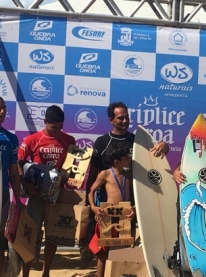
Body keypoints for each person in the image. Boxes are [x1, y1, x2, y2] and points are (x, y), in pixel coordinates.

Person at [80, 102, 169, 263]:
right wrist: (90, 206)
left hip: (130, 207)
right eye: (120, 118)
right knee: (103, 251)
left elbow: (156, 157)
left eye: (127, 117)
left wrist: (164, 145)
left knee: (124, 249)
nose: (125, 120)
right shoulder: (102, 142)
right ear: (111, 120)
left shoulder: (136, 141)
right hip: (105, 208)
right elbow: (92, 175)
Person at [17, 105, 76, 277]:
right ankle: (26, 274)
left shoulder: (69, 140)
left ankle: (46, 273)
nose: (57, 130)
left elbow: (71, 168)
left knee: (53, 236)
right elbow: (18, 162)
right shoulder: (32, 139)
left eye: (60, 127)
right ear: (45, 122)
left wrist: (70, 179)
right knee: (30, 237)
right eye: (53, 127)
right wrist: (24, 183)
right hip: (36, 197)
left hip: (57, 198)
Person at [88, 143, 135, 277]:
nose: (129, 159)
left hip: (125, 216)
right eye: (126, 157)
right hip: (107, 215)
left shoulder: (129, 175)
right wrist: (93, 207)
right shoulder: (105, 174)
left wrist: (134, 209)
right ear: (117, 161)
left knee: (121, 250)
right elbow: (91, 191)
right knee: (103, 251)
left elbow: (137, 195)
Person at [0, 97, 21, 275]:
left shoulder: (11, 139)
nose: (2, 112)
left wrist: (18, 199)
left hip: (2, 194)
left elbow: (14, 172)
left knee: (0, 241)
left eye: (4, 108)